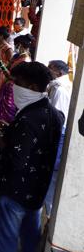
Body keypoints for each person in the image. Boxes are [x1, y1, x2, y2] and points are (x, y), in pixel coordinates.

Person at [0, 62, 64, 252]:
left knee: (7, 242)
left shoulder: (29, 118)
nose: (13, 87)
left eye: (17, 83)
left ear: (30, 87)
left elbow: (17, 160)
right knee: (30, 243)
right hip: (36, 193)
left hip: (14, 192)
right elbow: (35, 147)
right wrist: (11, 131)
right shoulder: (53, 115)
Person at [0, 34, 33, 148]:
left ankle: (0, 140)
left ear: (21, 45)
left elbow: (13, 77)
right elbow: (9, 69)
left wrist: (1, 64)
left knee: (5, 114)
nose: (16, 47)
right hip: (7, 88)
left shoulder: (25, 60)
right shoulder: (19, 57)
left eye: (17, 45)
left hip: (12, 90)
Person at [45, 60, 72, 214]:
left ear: (59, 73)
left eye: (51, 69)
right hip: (56, 134)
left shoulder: (60, 90)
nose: (49, 71)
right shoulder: (57, 86)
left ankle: (48, 213)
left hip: (57, 135)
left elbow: (57, 118)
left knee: (51, 175)